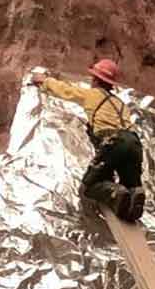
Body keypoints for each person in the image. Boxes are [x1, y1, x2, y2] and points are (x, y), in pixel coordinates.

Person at [31, 60, 145, 221]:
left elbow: (67, 91)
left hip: (115, 142)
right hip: (134, 144)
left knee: (90, 186)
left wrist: (44, 81)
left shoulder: (92, 95)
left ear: (95, 80)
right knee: (131, 185)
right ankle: (135, 194)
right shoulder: (120, 104)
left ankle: (114, 194)